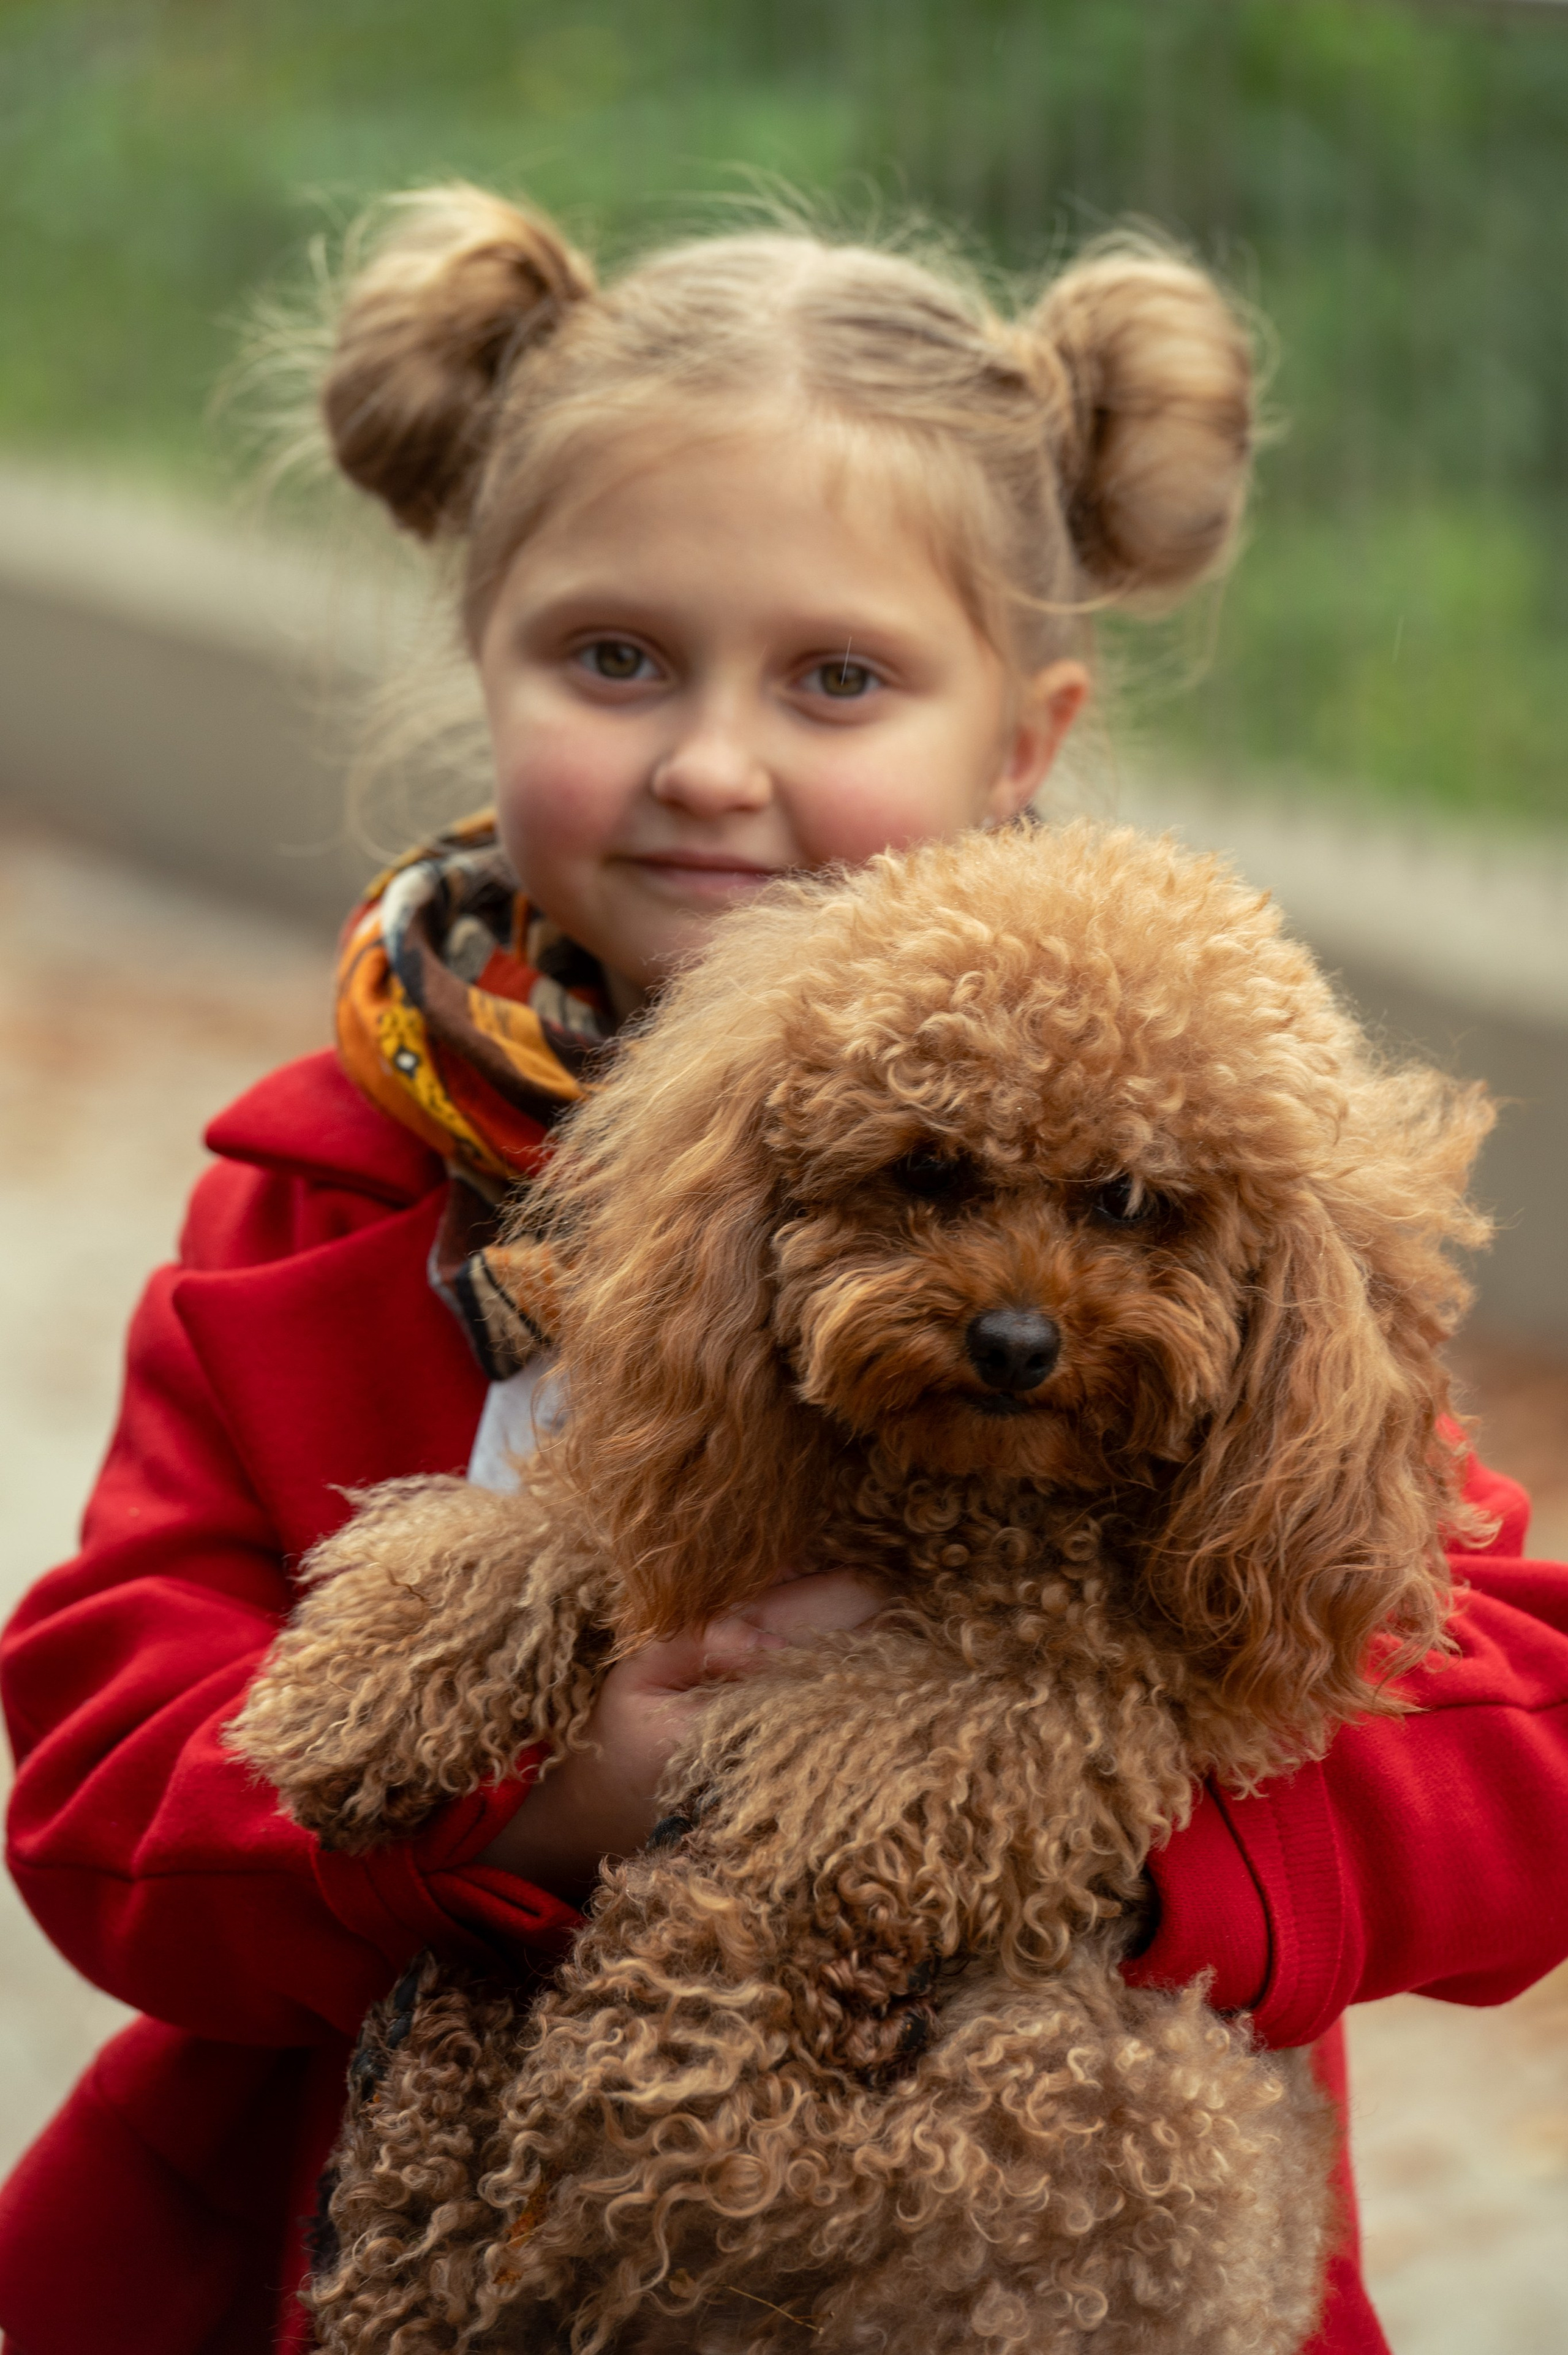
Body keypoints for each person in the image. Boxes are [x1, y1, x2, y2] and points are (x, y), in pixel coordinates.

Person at [2, 186, 1566, 2355]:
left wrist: (1112, 1841)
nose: (712, 764)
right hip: (403, 2245)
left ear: (1023, 737)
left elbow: (1508, 1729)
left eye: (838, 678)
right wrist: (551, 1801)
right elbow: (104, 1784)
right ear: (481, 654)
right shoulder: (320, 1200)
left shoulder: (1196, 1176)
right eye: (613, 658)